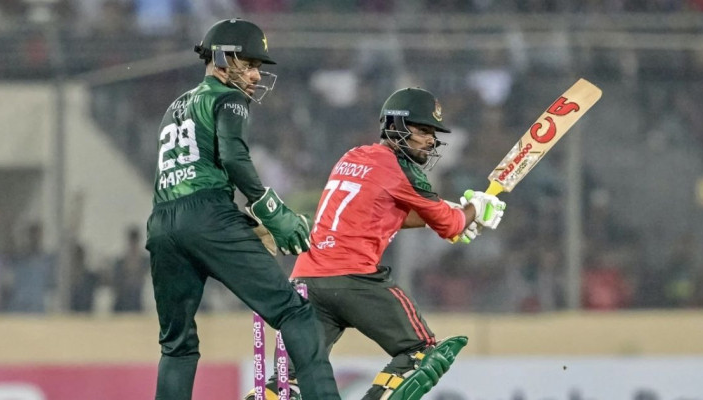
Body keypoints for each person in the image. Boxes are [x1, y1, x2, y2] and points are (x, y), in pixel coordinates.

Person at [247, 88, 506, 400]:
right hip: (354, 279)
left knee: (290, 380)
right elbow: (451, 226)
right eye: (423, 130)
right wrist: (476, 209)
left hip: (306, 281)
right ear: (395, 126)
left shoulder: (352, 156)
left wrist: (451, 214)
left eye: (433, 133)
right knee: (421, 352)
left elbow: (386, 211)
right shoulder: (403, 170)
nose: (430, 140)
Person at [145, 18, 341, 400]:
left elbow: (188, 173)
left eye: (257, 67)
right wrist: (269, 210)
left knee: (176, 345)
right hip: (208, 216)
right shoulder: (228, 97)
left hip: (162, 224)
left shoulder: (175, 106)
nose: (255, 75)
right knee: (296, 312)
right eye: (249, 64)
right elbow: (233, 158)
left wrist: (241, 221)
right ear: (221, 58)